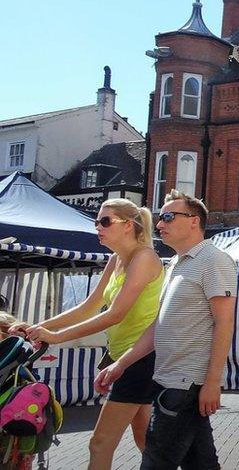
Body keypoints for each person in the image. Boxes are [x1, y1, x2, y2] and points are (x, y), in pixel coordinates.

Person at [11, 199, 162, 470]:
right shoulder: (117, 259)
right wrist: (37, 326)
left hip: (140, 360)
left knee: (99, 443)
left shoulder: (145, 258)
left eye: (105, 221)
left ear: (128, 226)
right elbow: (88, 307)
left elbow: (115, 313)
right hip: (124, 358)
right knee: (146, 441)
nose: (98, 227)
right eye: (96, 221)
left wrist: (56, 337)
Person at [94, 190, 237, 469]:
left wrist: (212, 382)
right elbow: (158, 326)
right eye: (160, 218)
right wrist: (120, 365)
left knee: (156, 461)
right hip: (169, 382)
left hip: (184, 385)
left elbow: (225, 322)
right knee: (201, 463)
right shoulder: (173, 264)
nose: (159, 224)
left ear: (194, 221)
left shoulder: (214, 260)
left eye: (168, 216)